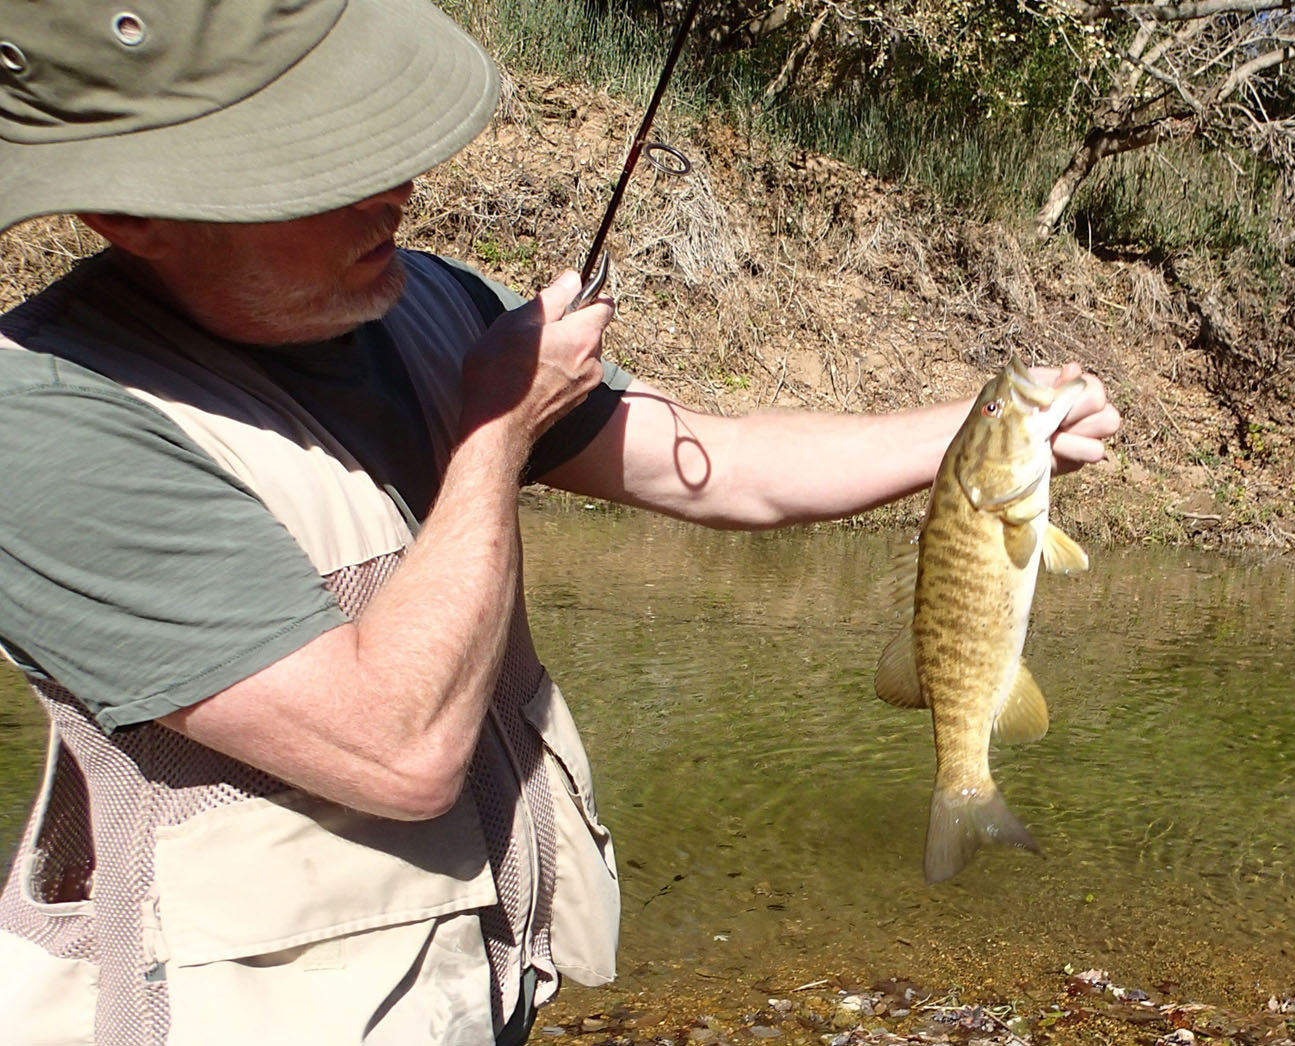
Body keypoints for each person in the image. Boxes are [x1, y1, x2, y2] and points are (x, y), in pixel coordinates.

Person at [0, 1, 1121, 1044]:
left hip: (461, 990)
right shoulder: (44, 430)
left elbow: (719, 464)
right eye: (320, 167)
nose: (393, 187)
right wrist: (496, 431)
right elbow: (396, 749)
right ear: (130, 214)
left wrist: (996, 436)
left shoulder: (420, 302)